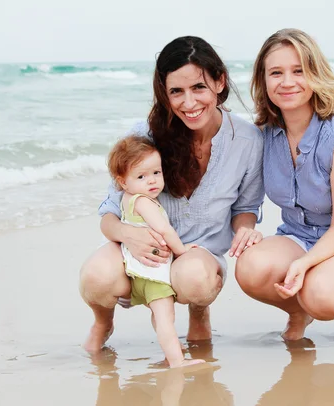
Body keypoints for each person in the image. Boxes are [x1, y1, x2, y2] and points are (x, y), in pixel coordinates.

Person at [79, 36, 265, 353]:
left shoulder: (248, 140)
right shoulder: (143, 135)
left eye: (198, 88)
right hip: (138, 252)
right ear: (164, 94)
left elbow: (244, 208)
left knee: (195, 279)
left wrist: (245, 229)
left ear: (220, 82)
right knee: (95, 277)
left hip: (198, 253)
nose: (188, 103)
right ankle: (102, 321)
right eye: (176, 91)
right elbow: (109, 215)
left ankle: (199, 310)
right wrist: (130, 235)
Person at [236, 28, 334, 340]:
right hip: (300, 236)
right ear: (263, 80)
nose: (287, 82)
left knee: (320, 294)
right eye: (276, 73)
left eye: (298, 71)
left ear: (315, 74)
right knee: (250, 268)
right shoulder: (266, 135)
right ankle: (299, 312)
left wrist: (304, 264)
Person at [106, 134, 205, 368]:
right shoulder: (144, 202)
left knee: (160, 317)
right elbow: (166, 230)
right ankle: (177, 361)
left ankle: (172, 349)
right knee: (165, 319)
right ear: (123, 182)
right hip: (152, 274)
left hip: (139, 273)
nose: (151, 181)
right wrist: (181, 251)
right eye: (141, 176)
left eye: (156, 173)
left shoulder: (128, 199)